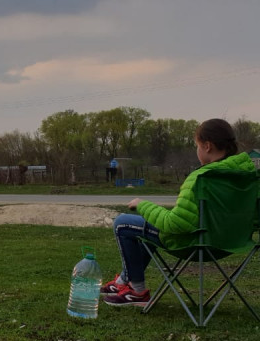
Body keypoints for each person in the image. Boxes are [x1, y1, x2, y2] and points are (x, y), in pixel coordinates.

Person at [101, 118, 256, 307]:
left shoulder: (202, 177)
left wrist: (142, 205)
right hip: (229, 245)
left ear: (207, 146)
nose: (197, 150)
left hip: (192, 243)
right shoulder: (248, 177)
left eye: (197, 146)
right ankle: (122, 282)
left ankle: (138, 292)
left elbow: (175, 224)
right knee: (146, 226)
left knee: (123, 223)